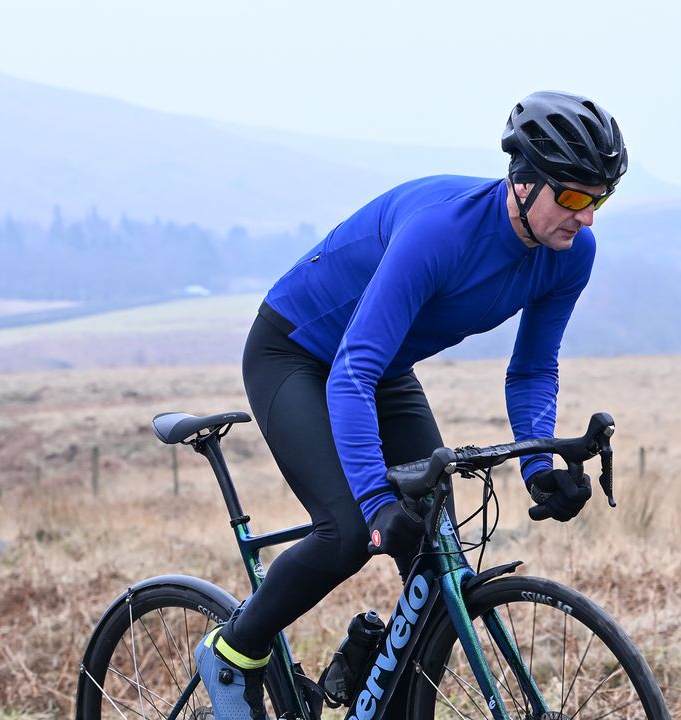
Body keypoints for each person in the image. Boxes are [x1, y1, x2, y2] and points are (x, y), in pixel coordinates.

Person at [193, 90, 628, 719]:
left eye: (600, 199)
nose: (586, 218)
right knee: (350, 530)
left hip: (380, 365)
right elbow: (350, 373)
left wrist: (538, 470)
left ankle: (383, 698)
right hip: (297, 354)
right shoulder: (439, 234)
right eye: (574, 196)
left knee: (434, 545)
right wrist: (375, 501)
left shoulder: (569, 254)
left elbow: (532, 367)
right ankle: (233, 654)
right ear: (524, 182)